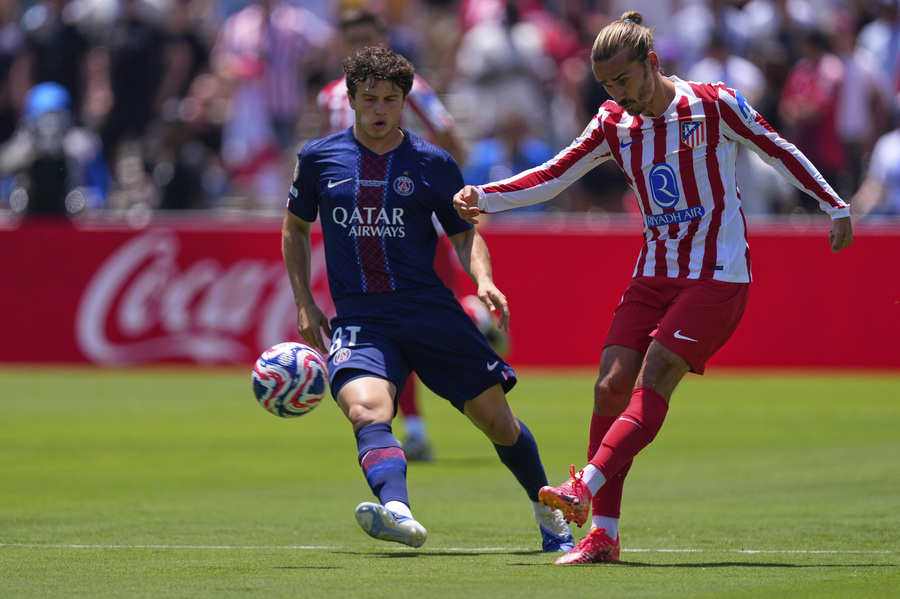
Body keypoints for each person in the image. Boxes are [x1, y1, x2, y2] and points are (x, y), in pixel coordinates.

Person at [454, 11, 853, 565]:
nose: (618, 93)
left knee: (657, 373)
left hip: (717, 275)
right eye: (607, 84)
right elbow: (554, 173)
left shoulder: (713, 104)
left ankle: (583, 488)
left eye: (625, 79)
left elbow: (776, 146)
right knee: (608, 389)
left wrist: (834, 205)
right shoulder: (614, 122)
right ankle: (604, 537)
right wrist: (485, 195)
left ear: (653, 63)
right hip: (653, 274)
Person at [281, 45, 574, 552]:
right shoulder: (318, 158)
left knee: (499, 425)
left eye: (389, 100)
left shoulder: (432, 163)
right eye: (369, 99)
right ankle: (397, 510)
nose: (378, 110)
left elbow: (464, 233)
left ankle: (547, 513)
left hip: (430, 313)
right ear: (351, 98)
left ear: (403, 102)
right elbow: (294, 227)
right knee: (365, 412)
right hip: (361, 318)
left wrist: (481, 279)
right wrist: (305, 302)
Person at [316, 7, 466, 461]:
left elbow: (450, 136)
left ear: (384, 39)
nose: (361, 49)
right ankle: (407, 425)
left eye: (369, 39)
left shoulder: (413, 89)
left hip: (415, 225)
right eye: (353, 41)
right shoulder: (329, 98)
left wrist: (451, 195)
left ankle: (471, 321)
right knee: (379, 328)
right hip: (357, 231)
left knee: (421, 319)